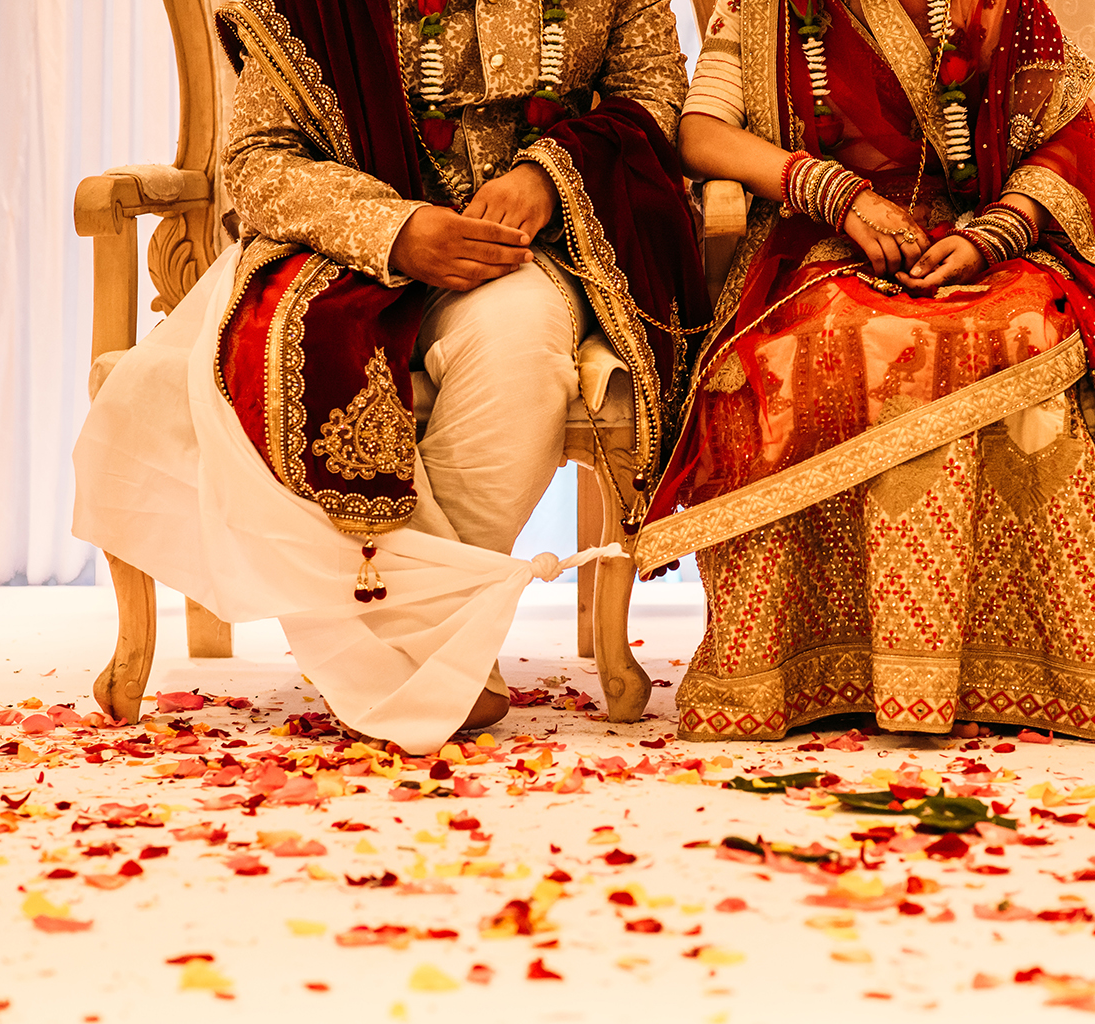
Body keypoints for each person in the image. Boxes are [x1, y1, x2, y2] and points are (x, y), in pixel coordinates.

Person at [73, 0, 708, 753]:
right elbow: (256, 162)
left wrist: (546, 175)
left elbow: (656, 100)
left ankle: (406, 656)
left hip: (526, 251)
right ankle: (434, 665)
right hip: (343, 246)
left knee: (518, 347)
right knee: (291, 363)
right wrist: (397, 231)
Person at [632, 0, 1095, 744]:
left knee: (1031, 333)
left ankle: (1048, 666)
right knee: (832, 340)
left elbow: (1068, 133)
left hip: (989, 238)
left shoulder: (1001, 8)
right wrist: (837, 194)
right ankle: (812, 665)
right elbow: (701, 133)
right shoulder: (770, 7)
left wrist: (1000, 229)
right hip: (827, 242)